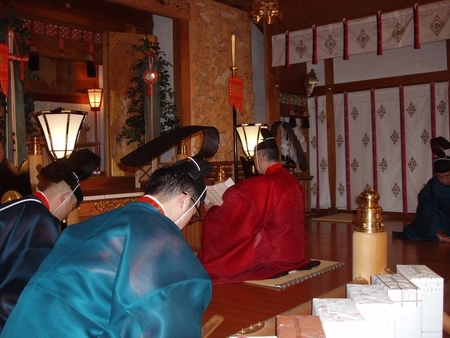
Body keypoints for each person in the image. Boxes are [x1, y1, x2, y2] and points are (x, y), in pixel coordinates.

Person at [1, 157, 213, 338]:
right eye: (194, 215)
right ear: (185, 202)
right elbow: (161, 318)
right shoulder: (160, 238)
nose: (189, 222)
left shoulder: (94, 223)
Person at [0, 149, 100, 331]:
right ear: (64, 199)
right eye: (70, 209)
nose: (65, 217)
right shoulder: (42, 222)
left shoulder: (18, 206)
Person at [197, 129, 312, 284]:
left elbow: (236, 213)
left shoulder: (265, 184)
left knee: (233, 236)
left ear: (262, 156)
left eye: (254, 157)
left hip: (275, 256)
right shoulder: (293, 181)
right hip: (296, 251)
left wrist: (214, 211)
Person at [392, 137, 450, 242]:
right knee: (428, 213)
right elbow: (427, 206)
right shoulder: (434, 184)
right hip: (439, 220)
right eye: (440, 177)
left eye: (447, 176)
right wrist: (437, 229)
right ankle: (438, 234)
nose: (444, 180)